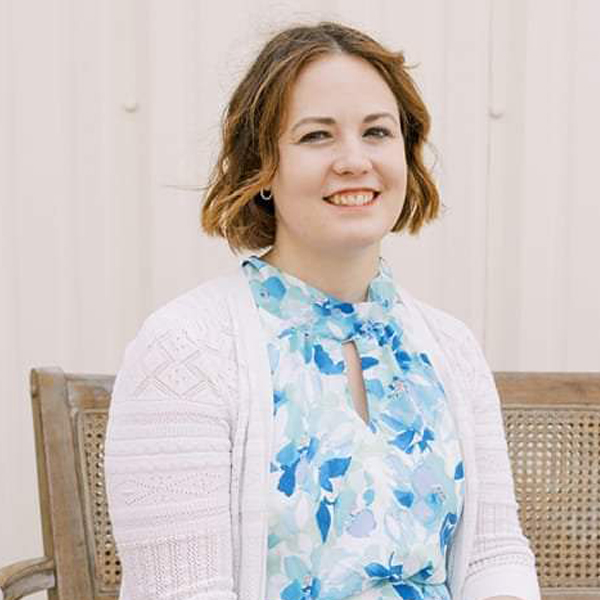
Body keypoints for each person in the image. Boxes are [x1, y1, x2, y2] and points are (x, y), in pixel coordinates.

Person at [104, 21, 540, 600]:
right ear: (262, 165)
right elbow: (179, 591)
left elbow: (495, 557)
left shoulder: (451, 348)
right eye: (316, 136)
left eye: (377, 132)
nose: (354, 160)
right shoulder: (185, 348)